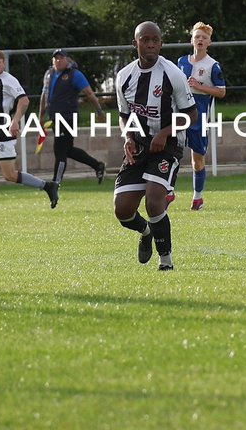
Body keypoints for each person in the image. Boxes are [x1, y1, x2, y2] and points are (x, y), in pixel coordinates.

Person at [113, 21, 197, 271]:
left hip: (168, 145)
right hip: (139, 146)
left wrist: (165, 133)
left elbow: (191, 115)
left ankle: (165, 261)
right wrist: (128, 137)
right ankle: (146, 231)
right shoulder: (124, 76)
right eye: (145, 39)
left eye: (155, 40)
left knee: (153, 201)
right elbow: (124, 115)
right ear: (135, 43)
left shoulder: (172, 74)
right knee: (123, 210)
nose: (150, 44)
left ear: (161, 44)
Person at [0, 47, 58, 215]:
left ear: (4, 63)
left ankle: (48, 186)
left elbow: (24, 101)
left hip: (4, 133)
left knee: (10, 175)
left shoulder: (8, 80)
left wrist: (15, 121)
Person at [175, 21, 227, 210]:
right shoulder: (181, 62)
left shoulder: (213, 66)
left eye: (204, 37)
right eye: (197, 36)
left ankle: (197, 197)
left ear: (209, 42)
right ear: (192, 40)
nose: (200, 40)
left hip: (199, 117)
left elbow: (221, 92)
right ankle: (168, 192)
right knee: (171, 154)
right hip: (179, 115)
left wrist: (199, 86)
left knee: (197, 160)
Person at [39, 49, 107, 185]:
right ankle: (97, 165)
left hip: (68, 117)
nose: (58, 61)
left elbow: (89, 93)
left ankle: (55, 183)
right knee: (67, 150)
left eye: (61, 58)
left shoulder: (74, 74)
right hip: (55, 117)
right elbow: (44, 95)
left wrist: (99, 111)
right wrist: (41, 116)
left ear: (67, 59)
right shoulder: (49, 74)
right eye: (56, 58)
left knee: (60, 150)